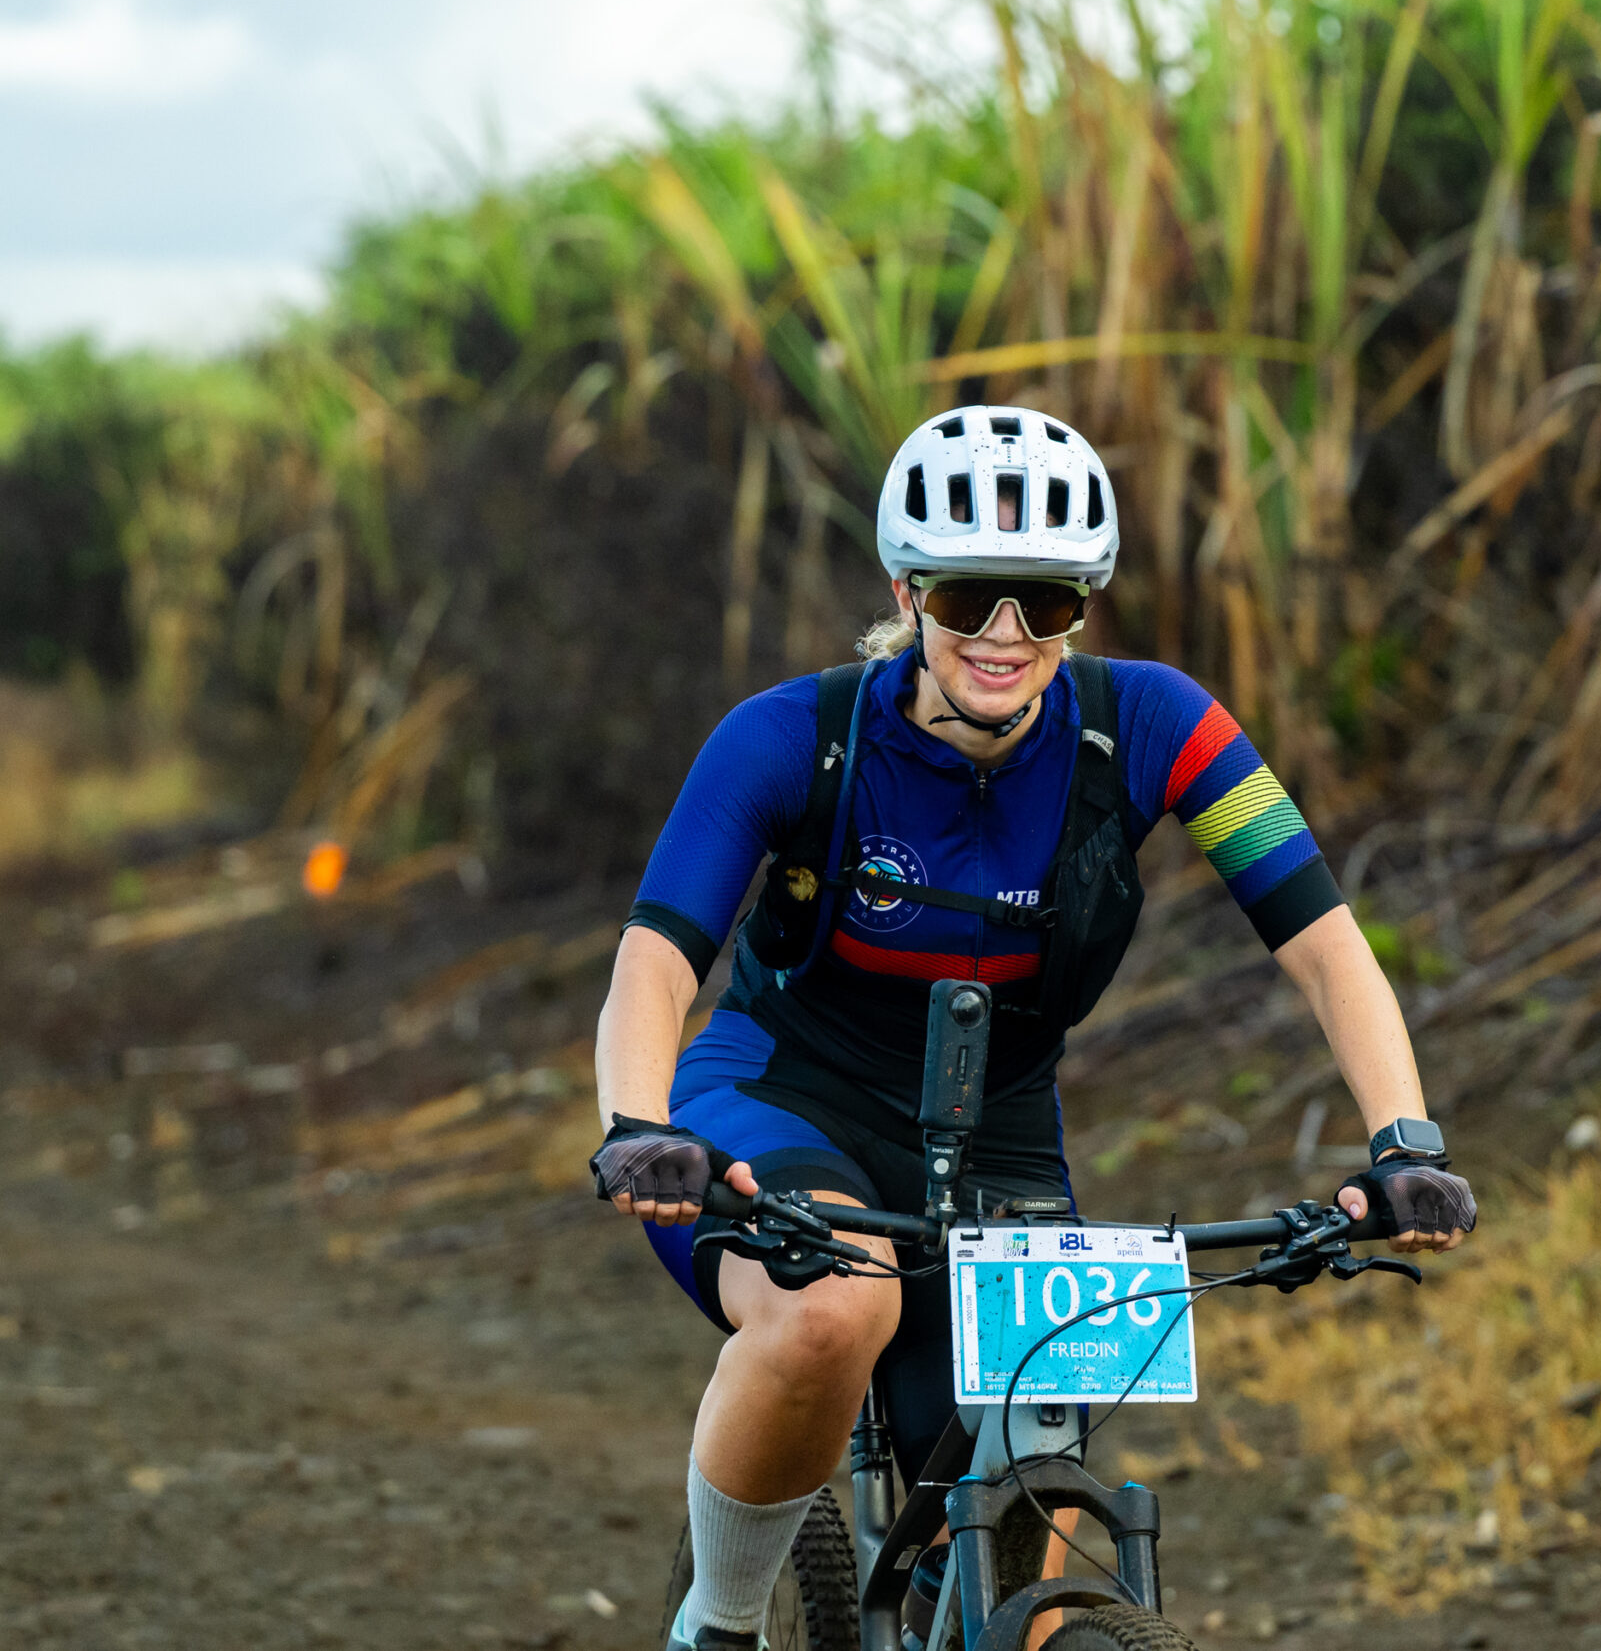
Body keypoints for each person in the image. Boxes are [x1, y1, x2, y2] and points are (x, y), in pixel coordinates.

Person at [591, 406, 1477, 1651]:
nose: (1005, 634)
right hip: (781, 1090)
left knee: (1027, 1512)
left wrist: (1404, 1142)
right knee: (835, 1306)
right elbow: (656, 957)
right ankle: (719, 1623)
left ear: (1082, 607)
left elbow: (1326, 944)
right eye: (967, 597)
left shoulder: (1160, 724)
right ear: (907, 592)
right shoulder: (792, 736)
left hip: (999, 1122)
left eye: (1045, 603)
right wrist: (638, 1124)